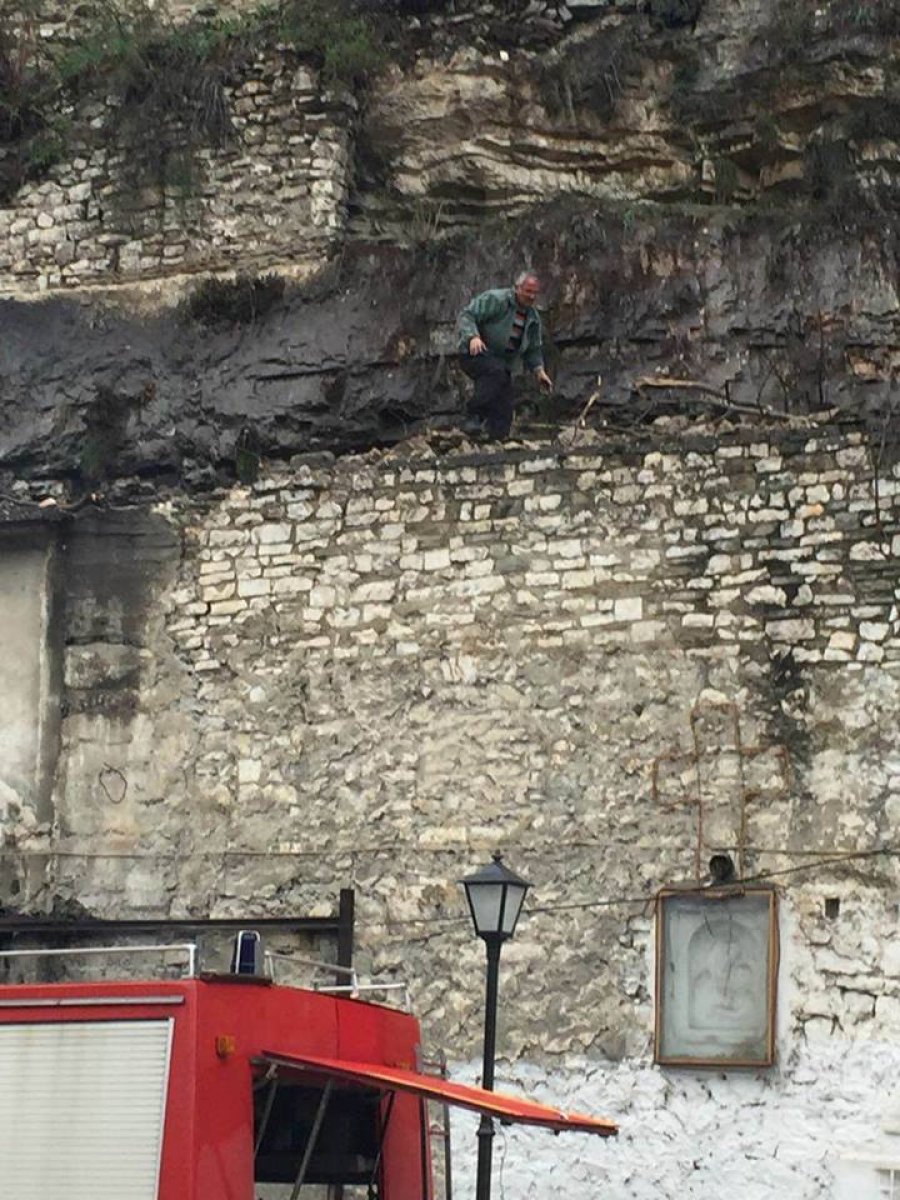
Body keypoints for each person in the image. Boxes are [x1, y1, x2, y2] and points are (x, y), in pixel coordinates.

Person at [457, 271, 554, 440]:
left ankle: (495, 438)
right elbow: (467, 315)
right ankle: (473, 417)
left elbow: (533, 349)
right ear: (517, 288)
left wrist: (540, 372)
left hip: (502, 363)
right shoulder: (497, 300)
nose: (531, 296)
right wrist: (473, 337)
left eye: (534, 293)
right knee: (495, 373)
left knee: (505, 405)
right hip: (475, 352)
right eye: (528, 291)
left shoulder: (532, 319)